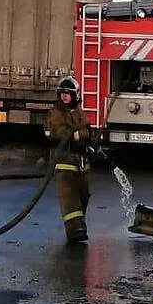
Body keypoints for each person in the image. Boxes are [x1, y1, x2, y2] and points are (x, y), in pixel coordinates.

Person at [44, 76, 92, 244]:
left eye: (68, 93)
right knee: (69, 196)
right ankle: (74, 230)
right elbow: (59, 133)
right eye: (62, 93)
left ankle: (79, 224)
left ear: (75, 95)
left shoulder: (78, 112)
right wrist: (77, 135)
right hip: (63, 160)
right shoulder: (55, 113)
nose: (64, 96)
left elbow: (85, 130)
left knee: (83, 195)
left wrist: (85, 137)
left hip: (80, 161)